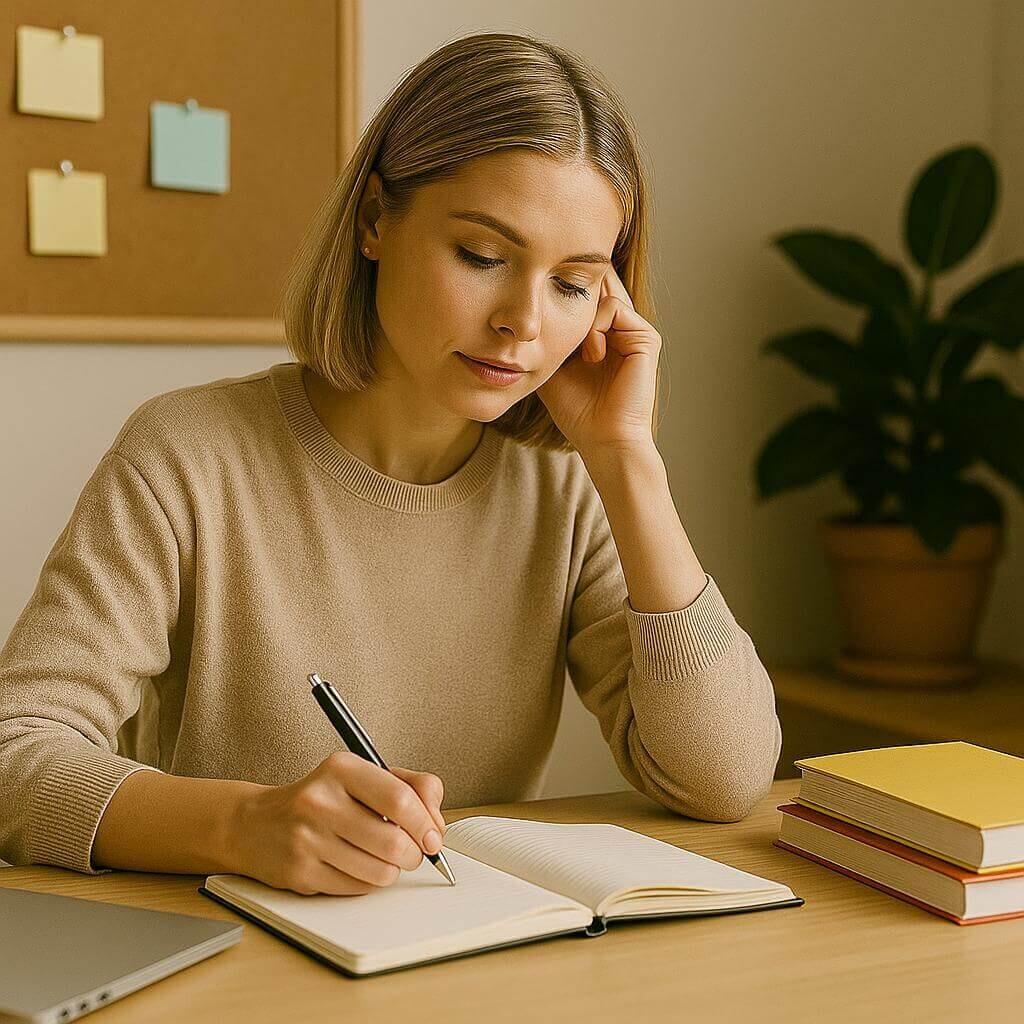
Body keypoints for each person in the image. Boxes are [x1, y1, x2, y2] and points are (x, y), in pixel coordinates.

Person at [0, 31, 781, 896]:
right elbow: (15, 754)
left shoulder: (566, 488)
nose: (523, 321)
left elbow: (725, 779)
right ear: (375, 220)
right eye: (484, 256)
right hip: (231, 963)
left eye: (573, 283)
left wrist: (627, 460)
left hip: (460, 958)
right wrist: (244, 826)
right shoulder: (188, 454)